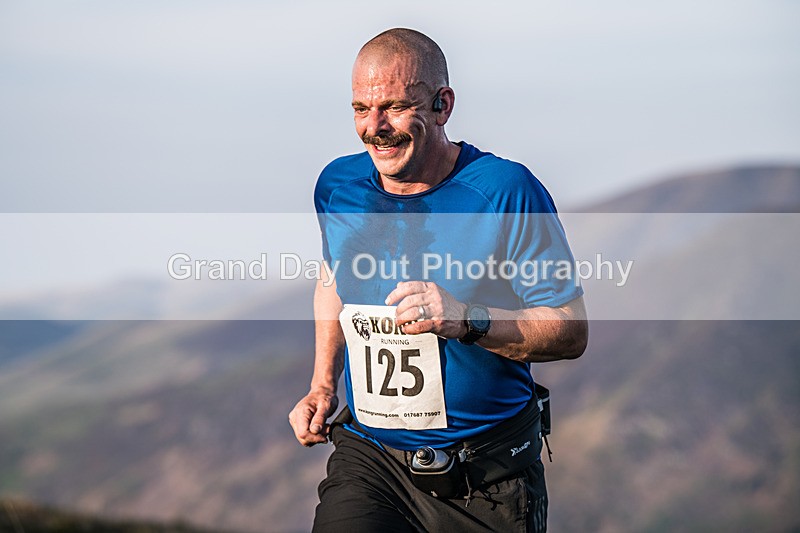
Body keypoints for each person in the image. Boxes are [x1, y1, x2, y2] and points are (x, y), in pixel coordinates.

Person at [288, 28, 588, 532]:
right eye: (361, 109)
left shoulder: (506, 191)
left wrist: (468, 320)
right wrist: (322, 384)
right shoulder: (338, 187)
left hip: (486, 477)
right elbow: (333, 280)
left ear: (442, 105)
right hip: (371, 462)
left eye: (394, 107)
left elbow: (570, 330)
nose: (374, 128)